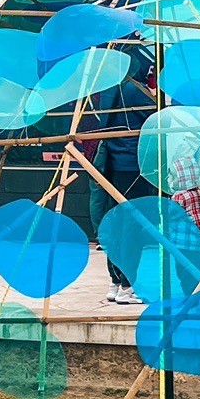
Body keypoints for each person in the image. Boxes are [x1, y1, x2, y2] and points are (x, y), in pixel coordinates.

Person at [73, 52, 154, 304]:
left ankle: (116, 282)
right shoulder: (136, 92)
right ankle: (129, 286)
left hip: (112, 164)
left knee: (116, 225)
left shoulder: (110, 90)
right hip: (132, 166)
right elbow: (155, 121)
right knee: (133, 226)